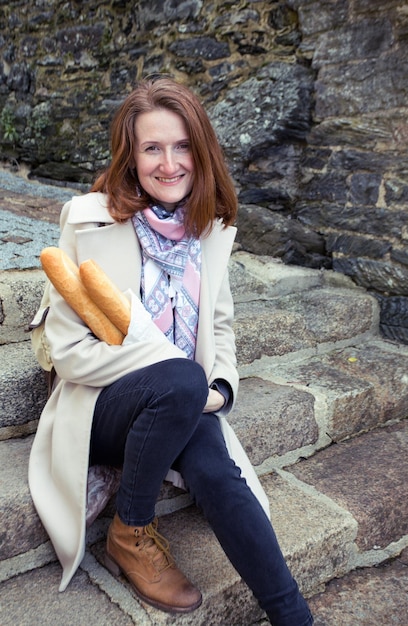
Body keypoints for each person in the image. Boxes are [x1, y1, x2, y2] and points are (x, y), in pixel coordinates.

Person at [28, 76, 313, 625]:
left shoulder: (212, 227)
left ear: (200, 149)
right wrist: (170, 369)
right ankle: (130, 531)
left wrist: (220, 387)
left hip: (182, 399)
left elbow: (220, 325)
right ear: (130, 157)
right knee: (180, 378)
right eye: (151, 148)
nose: (169, 163)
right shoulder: (88, 221)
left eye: (182, 145)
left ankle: (294, 617)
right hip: (102, 405)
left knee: (216, 469)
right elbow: (67, 353)